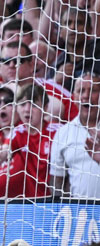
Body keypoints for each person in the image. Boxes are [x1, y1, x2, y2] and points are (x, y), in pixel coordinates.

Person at [50, 68, 100, 198]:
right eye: (80, 90)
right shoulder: (62, 133)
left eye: (93, 90)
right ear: (74, 97)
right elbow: (57, 183)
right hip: (80, 214)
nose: (85, 95)